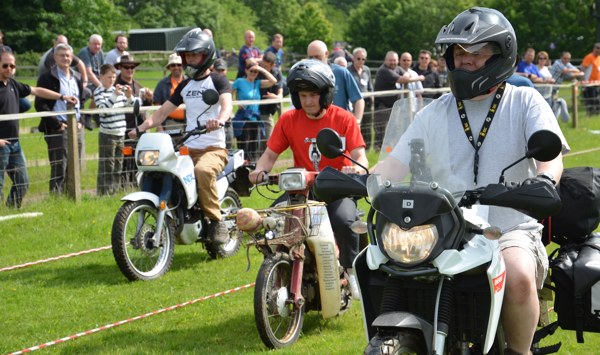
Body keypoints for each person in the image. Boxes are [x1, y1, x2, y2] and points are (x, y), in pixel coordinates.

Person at [373, 8, 568, 355]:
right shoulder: (435, 110)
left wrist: (545, 181)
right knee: (386, 264)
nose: (465, 61)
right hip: (447, 230)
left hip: (510, 228)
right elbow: (394, 163)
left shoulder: (524, 100)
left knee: (518, 276)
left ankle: (519, 351)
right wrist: (366, 179)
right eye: (459, 53)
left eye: (476, 53)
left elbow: (550, 157)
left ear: (501, 54)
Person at [248, 59, 368, 299]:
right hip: (301, 189)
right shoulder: (288, 120)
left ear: (325, 95)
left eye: (313, 95)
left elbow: (360, 156)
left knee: (344, 222)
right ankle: (279, 267)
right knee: (271, 224)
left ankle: (350, 270)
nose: (308, 101)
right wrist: (259, 170)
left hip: (336, 189)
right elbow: (270, 154)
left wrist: (357, 169)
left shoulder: (344, 118)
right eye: (303, 95)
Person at [128, 28, 234, 245]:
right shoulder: (185, 85)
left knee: (202, 171)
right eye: (188, 56)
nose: (191, 60)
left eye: (195, 55)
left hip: (213, 148)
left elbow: (226, 105)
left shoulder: (218, 80)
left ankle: (216, 221)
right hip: (188, 147)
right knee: (162, 169)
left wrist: (220, 120)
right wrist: (140, 128)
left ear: (206, 56)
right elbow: (162, 112)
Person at [1, 49, 78, 207]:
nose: (9, 68)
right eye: (5, 65)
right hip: (0, 144)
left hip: (14, 144)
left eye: (12, 66)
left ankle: (10, 210)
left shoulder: (13, 84)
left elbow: (36, 91)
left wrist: (62, 97)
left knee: (23, 182)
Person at [34, 43, 85, 195]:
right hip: (59, 128)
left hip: (77, 128)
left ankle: (73, 197)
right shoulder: (47, 78)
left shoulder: (77, 77)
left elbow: (81, 101)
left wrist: (81, 121)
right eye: (62, 55)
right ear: (55, 57)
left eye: (68, 55)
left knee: (75, 166)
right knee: (59, 167)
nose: (65, 58)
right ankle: (57, 198)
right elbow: (40, 105)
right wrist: (57, 125)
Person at [94, 64, 133, 196]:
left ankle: (114, 192)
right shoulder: (98, 92)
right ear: (101, 77)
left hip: (120, 133)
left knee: (118, 165)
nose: (111, 80)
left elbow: (130, 108)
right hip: (107, 134)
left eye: (113, 77)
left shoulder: (119, 91)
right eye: (108, 77)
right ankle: (103, 193)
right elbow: (103, 111)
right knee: (107, 166)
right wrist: (114, 95)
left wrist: (129, 96)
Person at [115, 55, 153, 187]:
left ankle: (139, 185)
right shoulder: (116, 87)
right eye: (126, 67)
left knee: (141, 160)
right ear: (120, 68)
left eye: (132, 67)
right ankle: (124, 187)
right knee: (124, 162)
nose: (129, 70)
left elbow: (145, 107)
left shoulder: (138, 86)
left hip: (140, 129)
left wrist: (149, 99)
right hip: (123, 129)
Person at [307, 40, 364, 123]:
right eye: (310, 57)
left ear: (326, 54)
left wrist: (357, 121)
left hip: (340, 125)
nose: (314, 61)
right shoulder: (306, 75)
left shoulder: (340, 72)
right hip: (314, 125)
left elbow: (358, 100)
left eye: (317, 57)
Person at [231, 58, 276, 161]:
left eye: (255, 72)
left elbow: (273, 81)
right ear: (246, 71)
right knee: (244, 145)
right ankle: (242, 167)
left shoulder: (258, 83)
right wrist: (236, 102)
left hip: (255, 118)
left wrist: (261, 69)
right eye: (251, 71)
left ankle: (252, 167)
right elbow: (229, 93)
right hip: (243, 118)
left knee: (254, 145)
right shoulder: (239, 81)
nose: (253, 73)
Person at [153, 53, 188, 131]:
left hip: (189, 123)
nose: (176, 67)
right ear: (169, 67)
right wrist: (159, 127)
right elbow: (156, 107)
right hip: (169, 123)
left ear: (183, 66)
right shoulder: (162, 84)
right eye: (173, 65)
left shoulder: (190, 82)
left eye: (179, 65)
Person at [348, 47, 374, 150]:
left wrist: (372, 99)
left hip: (366, 103)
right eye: (358, 58)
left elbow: (370, 86)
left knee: (367, 127)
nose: (361, 61)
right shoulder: (348, 71)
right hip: (354, 104)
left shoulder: (366, 70)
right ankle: (355, 147)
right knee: (355, 126)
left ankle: (367, 149)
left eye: (363, 59)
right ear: (353, 58)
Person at [256, 51, 283, 152]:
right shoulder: (256, 71)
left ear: (273, 65)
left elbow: (280, 93)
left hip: (269, 110)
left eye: (266, 66)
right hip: (255, 109)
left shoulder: (277, 73)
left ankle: (264, 159)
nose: (263, 68)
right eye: (262, 65)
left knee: (268, 138)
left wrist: (275, 97)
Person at [536, 51, 570, 122]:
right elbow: (535, 79)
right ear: (537, 59)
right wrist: (546, 80)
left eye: (544, 58)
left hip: (549, 94)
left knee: (550, 112)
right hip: (539, 95)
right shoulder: (535, 68)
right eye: (540, 58)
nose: (542, 60)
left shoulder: (547, 68)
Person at [581, 43, 600, 115]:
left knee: (597, 99)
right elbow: (583, 69)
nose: (598, 50)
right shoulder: (589, 57)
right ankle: (590, 113)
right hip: (589, 83)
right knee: (591, 100)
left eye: (599, 48)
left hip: (597, 83)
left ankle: (596, 113)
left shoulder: (599, 58)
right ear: (593, 48)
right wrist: (583, 81)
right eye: (597, 48)